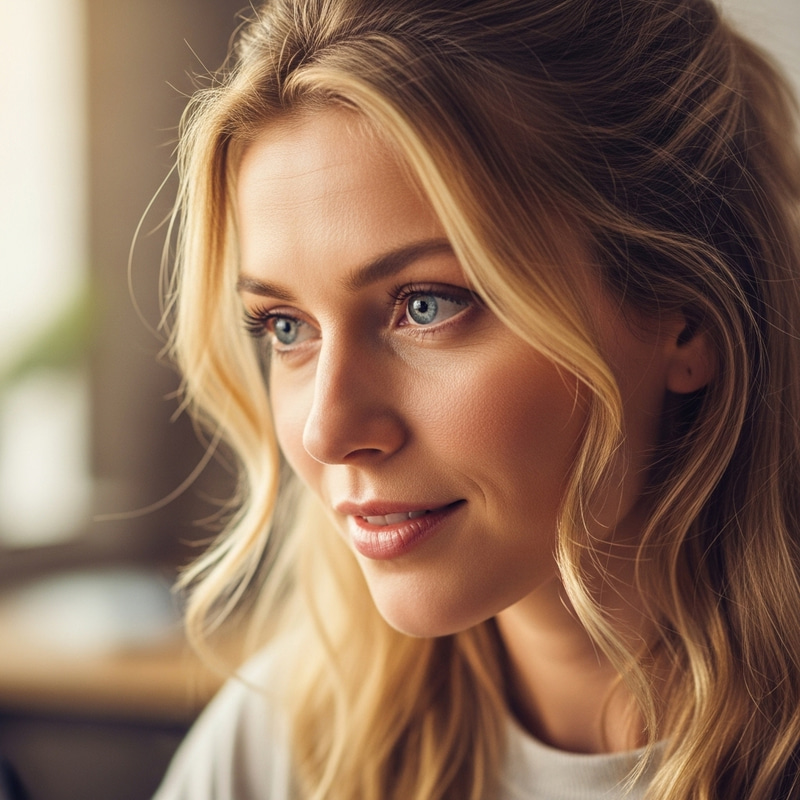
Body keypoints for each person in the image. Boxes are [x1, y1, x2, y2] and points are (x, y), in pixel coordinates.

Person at [153, 0, 800, 797]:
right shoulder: (278, 753)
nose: (327, 429)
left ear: (687, 318)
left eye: (427, 304)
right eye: (285, 325)